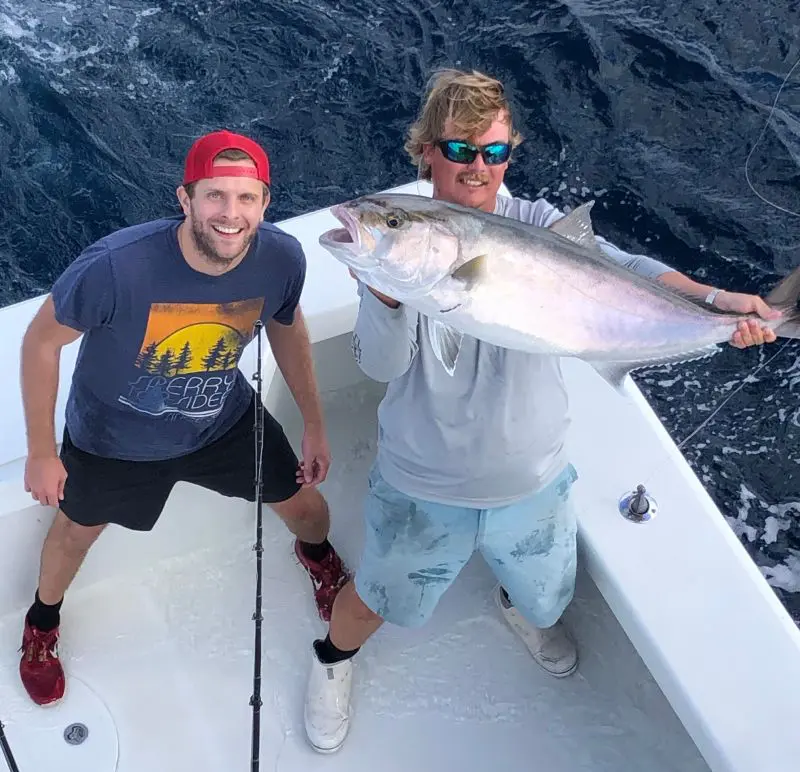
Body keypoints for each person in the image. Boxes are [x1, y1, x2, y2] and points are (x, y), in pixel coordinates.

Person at [301, 68, 781, 753]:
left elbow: (631, 270)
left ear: (510, 155)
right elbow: (381, 366)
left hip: (534, 479)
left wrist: (714, 304)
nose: (478, 169)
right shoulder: (408, 258)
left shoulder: (537, 225)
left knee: (546, 597)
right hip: (423, 483)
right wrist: (383, 292)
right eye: (461, 151)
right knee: (379, 597)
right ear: (427, 152)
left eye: (494, 154)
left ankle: (518, 609)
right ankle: (332, 662)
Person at [18, 130, 349, 708]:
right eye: (215, 196)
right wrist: (43, 452)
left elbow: (286, 324)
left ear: (266, 204)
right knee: (74, 534)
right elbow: (40, 343)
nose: (231, 214)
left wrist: (314, 421)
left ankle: (317, 557)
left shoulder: (281, 258)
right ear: (186, 199)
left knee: (307, 507)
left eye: (247, 199)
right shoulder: (115, 266)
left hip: (223, 423)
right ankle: (42, 623)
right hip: (112, 443)